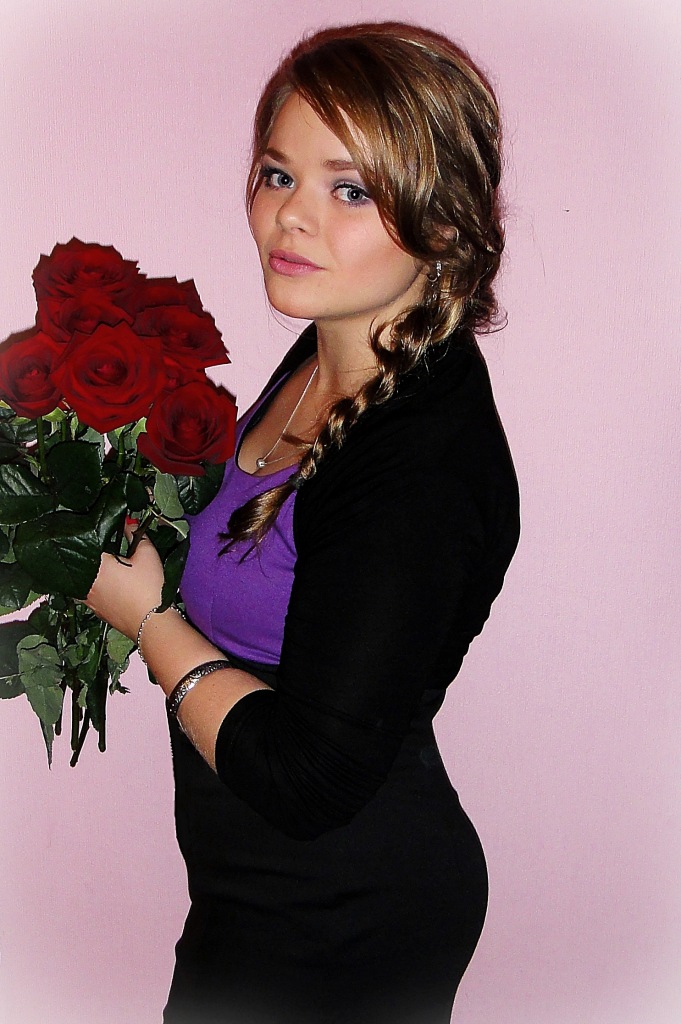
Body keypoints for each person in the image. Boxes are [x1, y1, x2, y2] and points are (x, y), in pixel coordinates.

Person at [85, 21, 520, 1024]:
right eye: (278, 174)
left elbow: (309, 779)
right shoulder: (332, 353)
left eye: (350, 189)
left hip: (344, 913)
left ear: (446, 221)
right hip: (254, 889)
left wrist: (146, 618)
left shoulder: (422, 462)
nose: (292, 216)